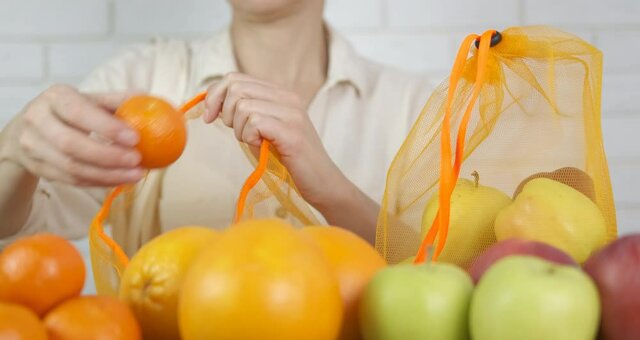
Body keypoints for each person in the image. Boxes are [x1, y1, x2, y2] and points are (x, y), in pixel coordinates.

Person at [0, 0, 433, 253]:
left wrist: (336, 193)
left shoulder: (416, 108)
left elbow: (448, 276)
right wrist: (14, 155)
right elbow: (20, 226)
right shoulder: (141, 80)